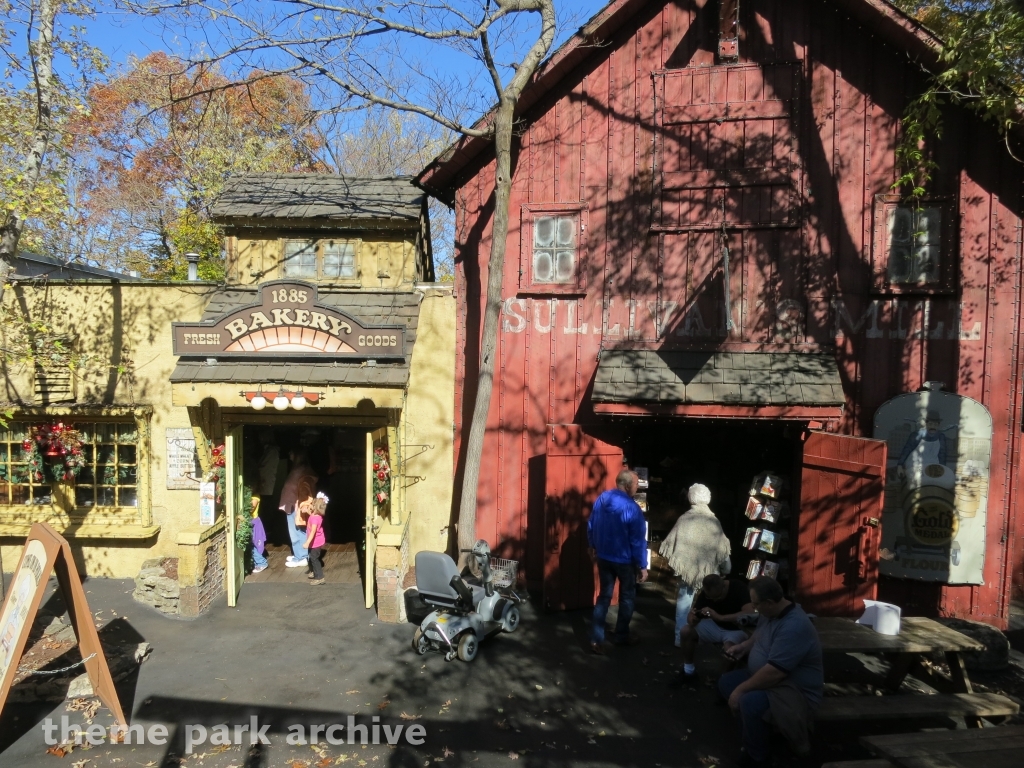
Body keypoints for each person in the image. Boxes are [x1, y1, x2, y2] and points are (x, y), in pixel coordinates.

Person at [718, 577, 824, 767]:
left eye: (756, 604)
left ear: (769, 602)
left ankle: (758, 756)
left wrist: (740, 690)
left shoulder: (794, 626)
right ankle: (760, 732)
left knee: (747, 700)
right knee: (726, 682)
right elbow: (759, 635)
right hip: (773, 681)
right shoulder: (770, 613)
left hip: (794, 689)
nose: (754, 608)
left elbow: (775, 672)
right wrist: (743, 647)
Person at [659, 483, 732, 647]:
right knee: (708, 603)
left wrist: (679, 564)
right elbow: (723, 550)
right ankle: (706, 637)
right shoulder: (713, 521)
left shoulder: (683, 520)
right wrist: (726, 569)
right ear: (708, 498)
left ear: (691, 498)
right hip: (710, 572)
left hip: (686, 570)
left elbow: (671, 544)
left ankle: (680, 638)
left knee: (684, 603)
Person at [587, 469, 649, 654]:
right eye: (636, 484)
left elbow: (591, 524)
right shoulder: (632, 508)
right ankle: (621, 635)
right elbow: (638, 540)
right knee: (627, 597)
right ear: (628, 485)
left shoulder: (602, 499)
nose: (637, 487)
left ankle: (596, 640)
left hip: (604, 556)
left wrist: (592, 545)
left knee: (604, 597)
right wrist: (643, 565)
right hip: (624, 560)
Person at [670, 573, 753, 686]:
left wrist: (720, 617)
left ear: (723, 586)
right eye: (710, 598)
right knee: (686, 631)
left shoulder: (738, 587)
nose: (714, 600)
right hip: (714, 626)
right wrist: (693, 618)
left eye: (717, 597)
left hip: (736, 629)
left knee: (730, 649)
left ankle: (724, 682)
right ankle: (689, 671)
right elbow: (691, 616)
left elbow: (749, 612)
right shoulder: (707, 592)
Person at [279, 448, 318, 568]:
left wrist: (301, 503)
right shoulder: (298, 469)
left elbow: (305, 488)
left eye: (292, 452)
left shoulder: (302, 470)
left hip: (296, 505)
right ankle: (299, 554)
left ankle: (301, 557)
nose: (290, 453)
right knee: (296, 530)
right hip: (292, 504)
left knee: (297, 531)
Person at [303, 492, 329, 586]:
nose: (311, 506)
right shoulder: (317, 516)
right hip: (317, 541)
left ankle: (319, 577)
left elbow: (313, 532)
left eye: (312, 505)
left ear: (315, 507)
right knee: (311, 557)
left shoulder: (314, 519)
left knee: (314, 558)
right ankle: (313, 572)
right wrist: (308, 511)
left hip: (315, 543)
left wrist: (307, 542)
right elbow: (313, 516)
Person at [251, 496, 268, 574]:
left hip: (254, 522)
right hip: (250, 521)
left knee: (255, 544)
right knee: (251, 544)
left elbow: (251, 508)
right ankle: (257, 562)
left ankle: (261, 563)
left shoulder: (255, 497)